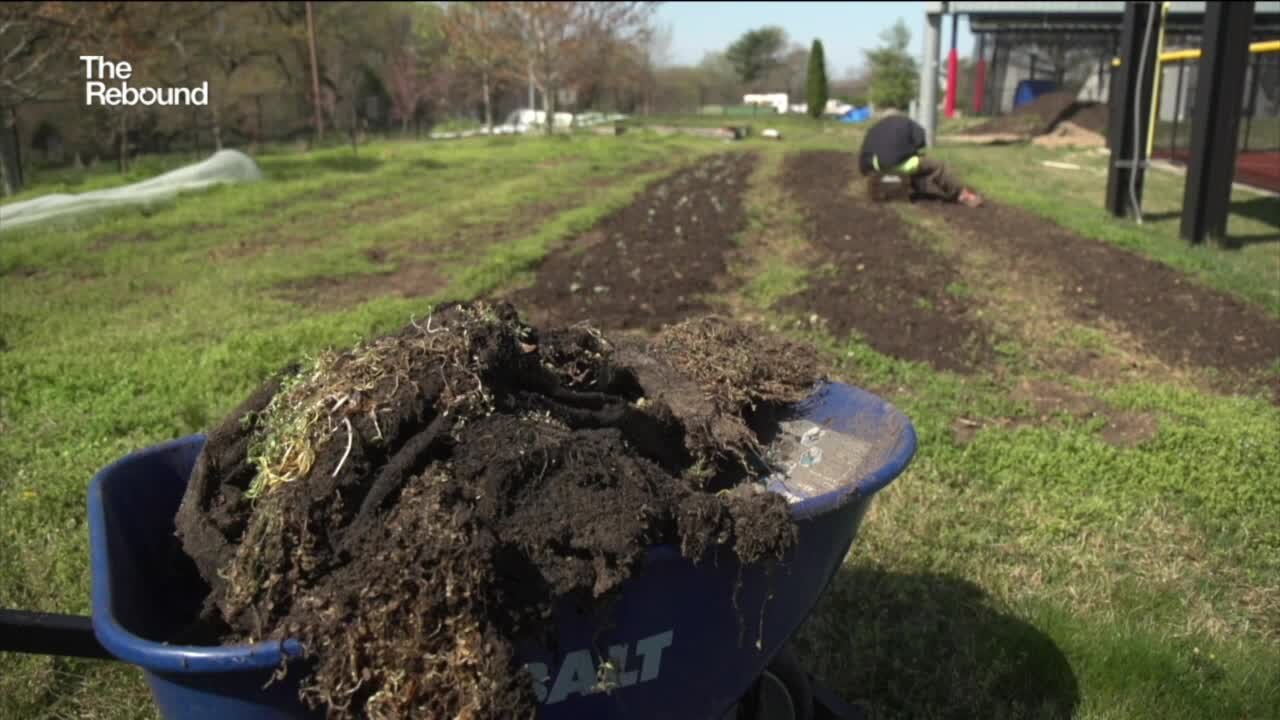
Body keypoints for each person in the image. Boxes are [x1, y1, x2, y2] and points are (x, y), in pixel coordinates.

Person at [858, 115, 983, 207]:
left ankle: (886, 186)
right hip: (894, 164)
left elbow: (863, 159)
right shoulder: (914, 128)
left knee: (901, 170)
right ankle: (962, 194)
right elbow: (918, 143)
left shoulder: (877, 128)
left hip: (873, 167)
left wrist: (868, 174)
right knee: (937, 167)